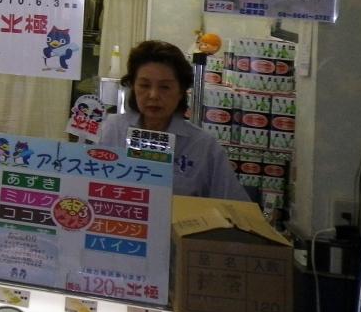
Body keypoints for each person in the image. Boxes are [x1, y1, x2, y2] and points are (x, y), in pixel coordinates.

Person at [98, 39, 249, 201]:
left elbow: (236, 207)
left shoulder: (204, 147)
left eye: (165, 87)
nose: (153, 95)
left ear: (181, 92)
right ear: (133, 87)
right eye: (144, 85)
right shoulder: (110, 130)